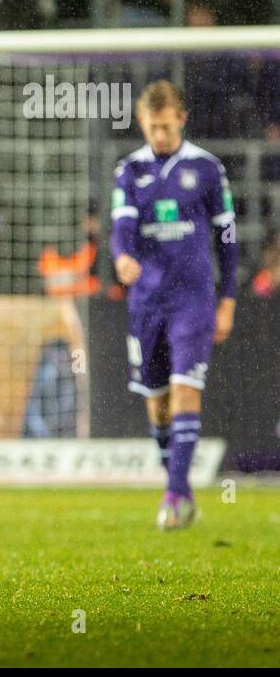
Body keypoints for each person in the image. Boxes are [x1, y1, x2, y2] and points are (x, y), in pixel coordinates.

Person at [110, 81, 237, 530]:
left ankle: (173, 496)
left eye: (166, 127)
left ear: (181, 119)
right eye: (151, 128)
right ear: (142, 123)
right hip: (147, 303)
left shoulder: (206, 169)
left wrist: (228, 300)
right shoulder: (129, 170)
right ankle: (179, 486)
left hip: (193, 301)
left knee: (186, 390)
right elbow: (120, 227)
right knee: (157, 403)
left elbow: (227, 240)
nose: (159, 136)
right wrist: (122, 257)